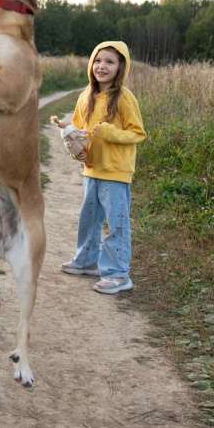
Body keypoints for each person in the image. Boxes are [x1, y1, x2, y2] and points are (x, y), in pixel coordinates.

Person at [60, 41, 147, 294]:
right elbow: (78, 128)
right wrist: (73, 139)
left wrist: (110, 132)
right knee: (89, 220)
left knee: (116, 223)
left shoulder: (124, 98)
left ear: (121, 67)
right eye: (98, 61)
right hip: (91, 169)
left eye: (109, 61)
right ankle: (87, 261)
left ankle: (118, 273)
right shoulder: (85, 96)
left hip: (115, 172)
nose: (102, 66)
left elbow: (137, 133)